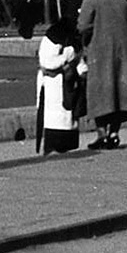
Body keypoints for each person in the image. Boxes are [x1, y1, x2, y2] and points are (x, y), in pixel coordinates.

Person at [76, 0, 127, 150]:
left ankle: (102, 134)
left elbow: (82, 26)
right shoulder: (122, 1)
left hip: (100, 53)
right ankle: (114, 133)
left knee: (100, 93)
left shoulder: (91, 0)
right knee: (119, 94)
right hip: (123, 54)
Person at [35, 15, 86, 154]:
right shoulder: (53, 37)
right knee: (56, 122)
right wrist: (68, 56)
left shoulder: (72, 36)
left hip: (68, 85)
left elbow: (79, 59)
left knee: (67, 120)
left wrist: (80, 69)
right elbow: (47, 62)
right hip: (53, 85)